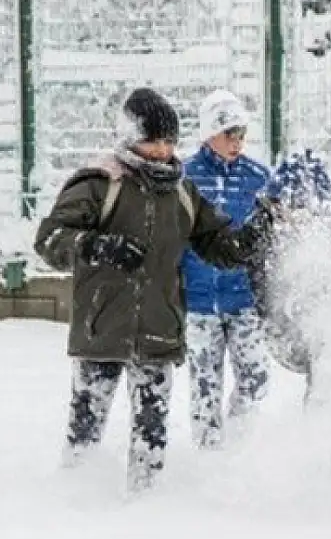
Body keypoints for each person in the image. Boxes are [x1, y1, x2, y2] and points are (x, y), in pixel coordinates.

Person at [34, 87, 275, 493]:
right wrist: (96, 246)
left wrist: (251, 235)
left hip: (159, 331)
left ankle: (145, 510)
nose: (163, 151)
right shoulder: (100, 182)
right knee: (86, 428)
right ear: (130, 138)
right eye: (153, 141)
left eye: (169, 141)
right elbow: (50, 238)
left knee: (151, 435)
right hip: (102, 329)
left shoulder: (182, 192)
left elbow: (218, 245)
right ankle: (72, 504)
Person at [179, 89, 273, 449]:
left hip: (244, 299)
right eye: (227, 133)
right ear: (208, 134)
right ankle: (208, 454)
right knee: (205, 384)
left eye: (241, 134)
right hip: (199, 301)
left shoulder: (258, 177)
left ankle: (238, 441)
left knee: (256, 377)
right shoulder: (184, 177)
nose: (236, 142)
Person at [247, 148, 331, 382]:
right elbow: (257, 275)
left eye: (302, 208)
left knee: (328, 374)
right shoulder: (264, 229)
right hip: (283, 324)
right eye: (284, 207)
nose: (295, 217)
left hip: (329, 320)